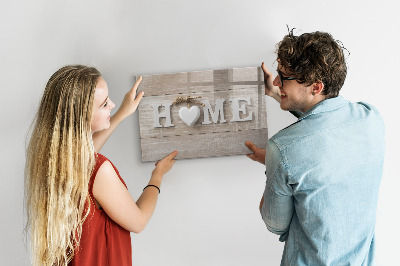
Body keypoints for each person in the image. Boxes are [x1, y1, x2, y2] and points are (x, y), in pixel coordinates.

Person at [245, 30, 385, 265]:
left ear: (316, 87)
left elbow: (274, 223)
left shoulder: (282, 149)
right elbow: (325, 124)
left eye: (284, 77)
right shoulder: (371, 118)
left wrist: (273, 163)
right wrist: (278, 94)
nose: (277, 81)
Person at [24, 65, 177, 266]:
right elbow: (138, 221)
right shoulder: (99, 171)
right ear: (81, 117)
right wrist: (157, 176)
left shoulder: (53, 160)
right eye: (105, 104)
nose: (112, 104)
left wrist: (122, 113)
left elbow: (86, 157)